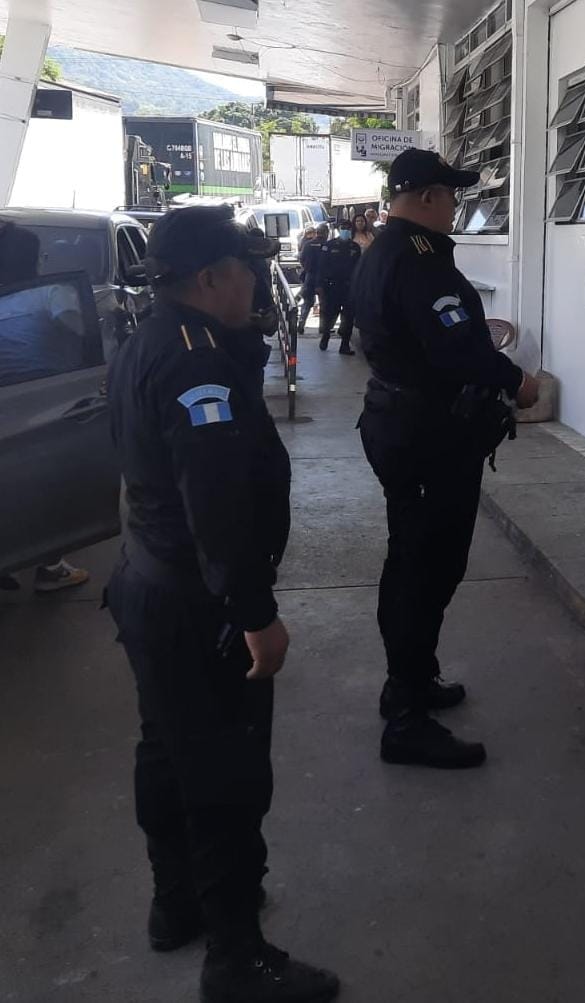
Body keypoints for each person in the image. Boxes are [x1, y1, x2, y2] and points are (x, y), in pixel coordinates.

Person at [104, 205, 339, 1003]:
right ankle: (236, 957)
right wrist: (253, 613)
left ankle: (177, 902)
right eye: (245, 270)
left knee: (167, 751)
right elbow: (218, 506)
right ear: (211, 278)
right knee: (225, 777)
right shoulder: (195, 364)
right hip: (196, 604)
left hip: (148, 583)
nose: (255, 284)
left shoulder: (148, 337)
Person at [352, 148, 540, 768]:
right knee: (425, 566)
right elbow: (457, 348)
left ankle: (410, 680)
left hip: (400, 422)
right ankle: (406, 716)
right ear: (428, 196)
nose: (456, 206)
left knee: (415, 556)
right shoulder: (419, 258)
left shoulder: (383, 249)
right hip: (426, 435)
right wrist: (516, 380)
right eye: (451, 195)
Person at [316, 219, 360, 354]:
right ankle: (325, 337)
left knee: (348, 317)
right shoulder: (329, 246)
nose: (345, 231)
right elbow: (321, 267)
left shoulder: (355, 247)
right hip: (332, 286)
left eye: (348, 228)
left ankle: (345, 345)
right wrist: (319, 285)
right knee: (330, 315)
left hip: (349, 287)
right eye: (343, 228)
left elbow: (358, 268)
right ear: (339, 230)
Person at [297, 222, 327, 331]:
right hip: (323, 277)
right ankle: (323, 327)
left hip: (309, 275)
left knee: (307, 301)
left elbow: (301, 258)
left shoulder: (308, 244)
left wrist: (306, 268)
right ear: (326, 233)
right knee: (324, 302)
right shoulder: (327, 245)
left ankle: (301, 322)